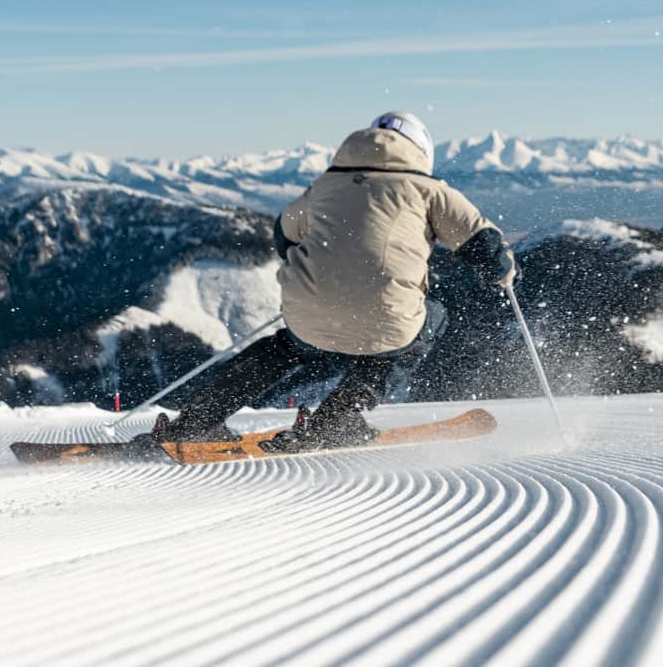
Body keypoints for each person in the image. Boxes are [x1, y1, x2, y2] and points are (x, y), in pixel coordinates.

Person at [145, 111, 515, 452]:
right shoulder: (431, 191)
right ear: (420, 151)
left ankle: (198, 421)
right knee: (429, 321)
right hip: (388, 321)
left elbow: (284, 235)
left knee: (281, 351)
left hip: (308, 316)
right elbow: (489, 252)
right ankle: (337, 419)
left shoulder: (325, 185)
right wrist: (504, 276)